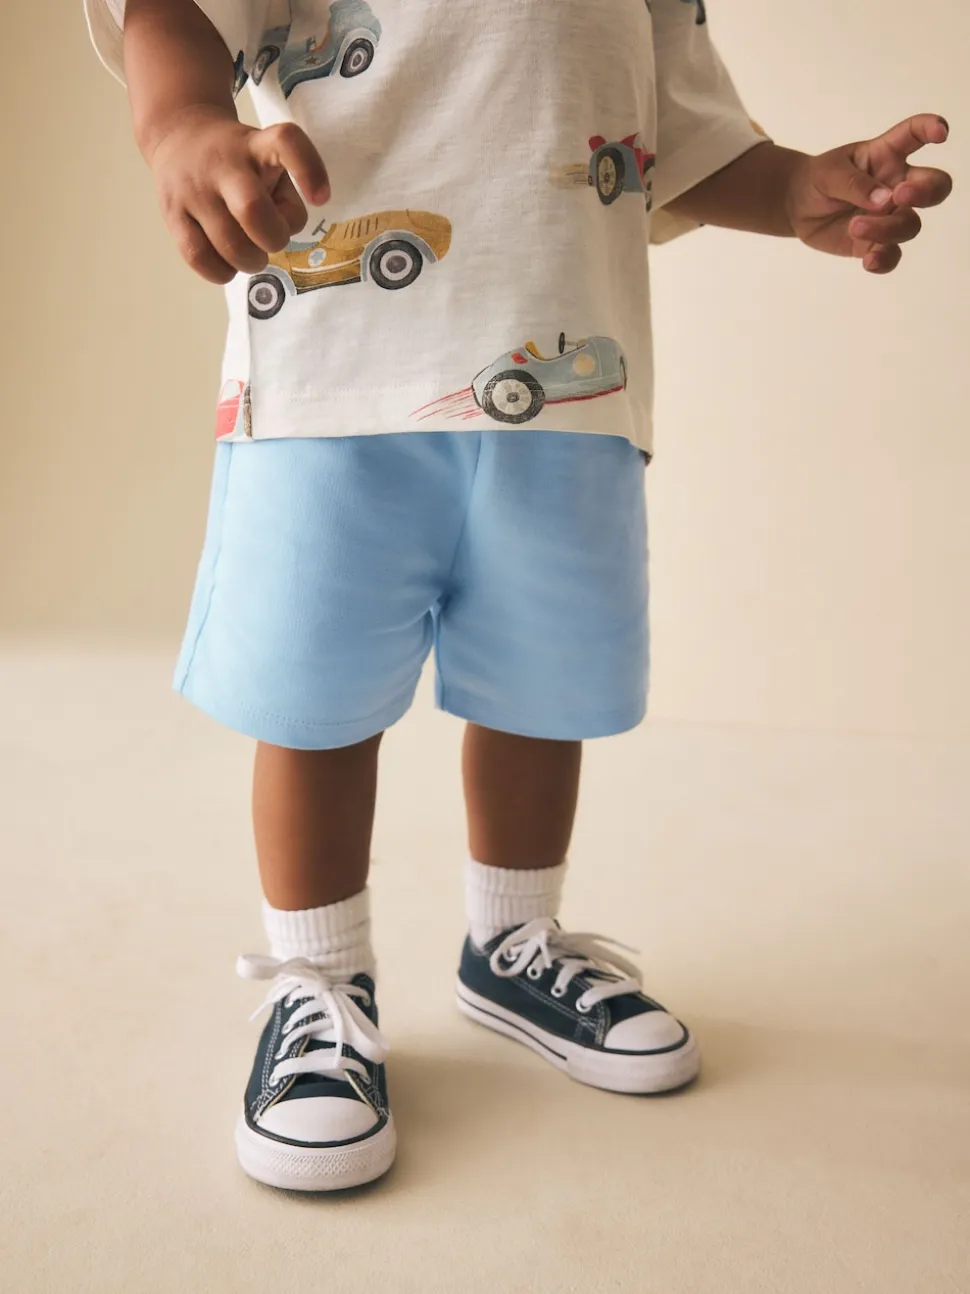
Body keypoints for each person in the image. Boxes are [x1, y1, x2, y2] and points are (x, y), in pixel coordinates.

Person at [84, 0, 952, 1192]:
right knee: (314, 700)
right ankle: (319, 979)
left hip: (568, 376)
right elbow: (169, 8)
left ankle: (512, 942)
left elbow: (681, 136)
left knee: (542, 682)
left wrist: (800, 186)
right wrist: (181, 121)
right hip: (336, 372)